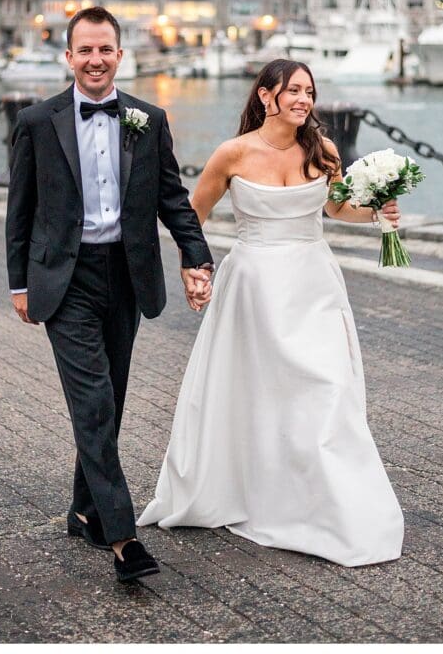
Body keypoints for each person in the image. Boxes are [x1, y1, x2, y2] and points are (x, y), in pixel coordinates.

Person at [138, 59, 405, 567]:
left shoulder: (322, 150)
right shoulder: (232, 154)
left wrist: (376, 209)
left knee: (328, 389)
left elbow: (334, 208)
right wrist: (193, 268)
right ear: (266, 96)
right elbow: (191, 216)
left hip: (313, 283)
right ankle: (260, 491)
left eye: (310, 91)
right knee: (260, 394)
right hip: (254, 287)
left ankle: (336, 509)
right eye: (295, 91)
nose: (304, 100)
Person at [5, 6, 214, 582]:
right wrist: (19, 283)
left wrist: (197, 254)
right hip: (63, 280)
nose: (95, 60)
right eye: (85, 50)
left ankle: (83, 507)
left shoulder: (148, 119)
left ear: (120, 55)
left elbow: (172, 198)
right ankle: (122, 539)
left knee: (111, 399)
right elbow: (19, 210)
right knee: (94, 402)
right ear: (68, 57)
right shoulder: (37, 121)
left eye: (106, 50)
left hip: (126, 275)